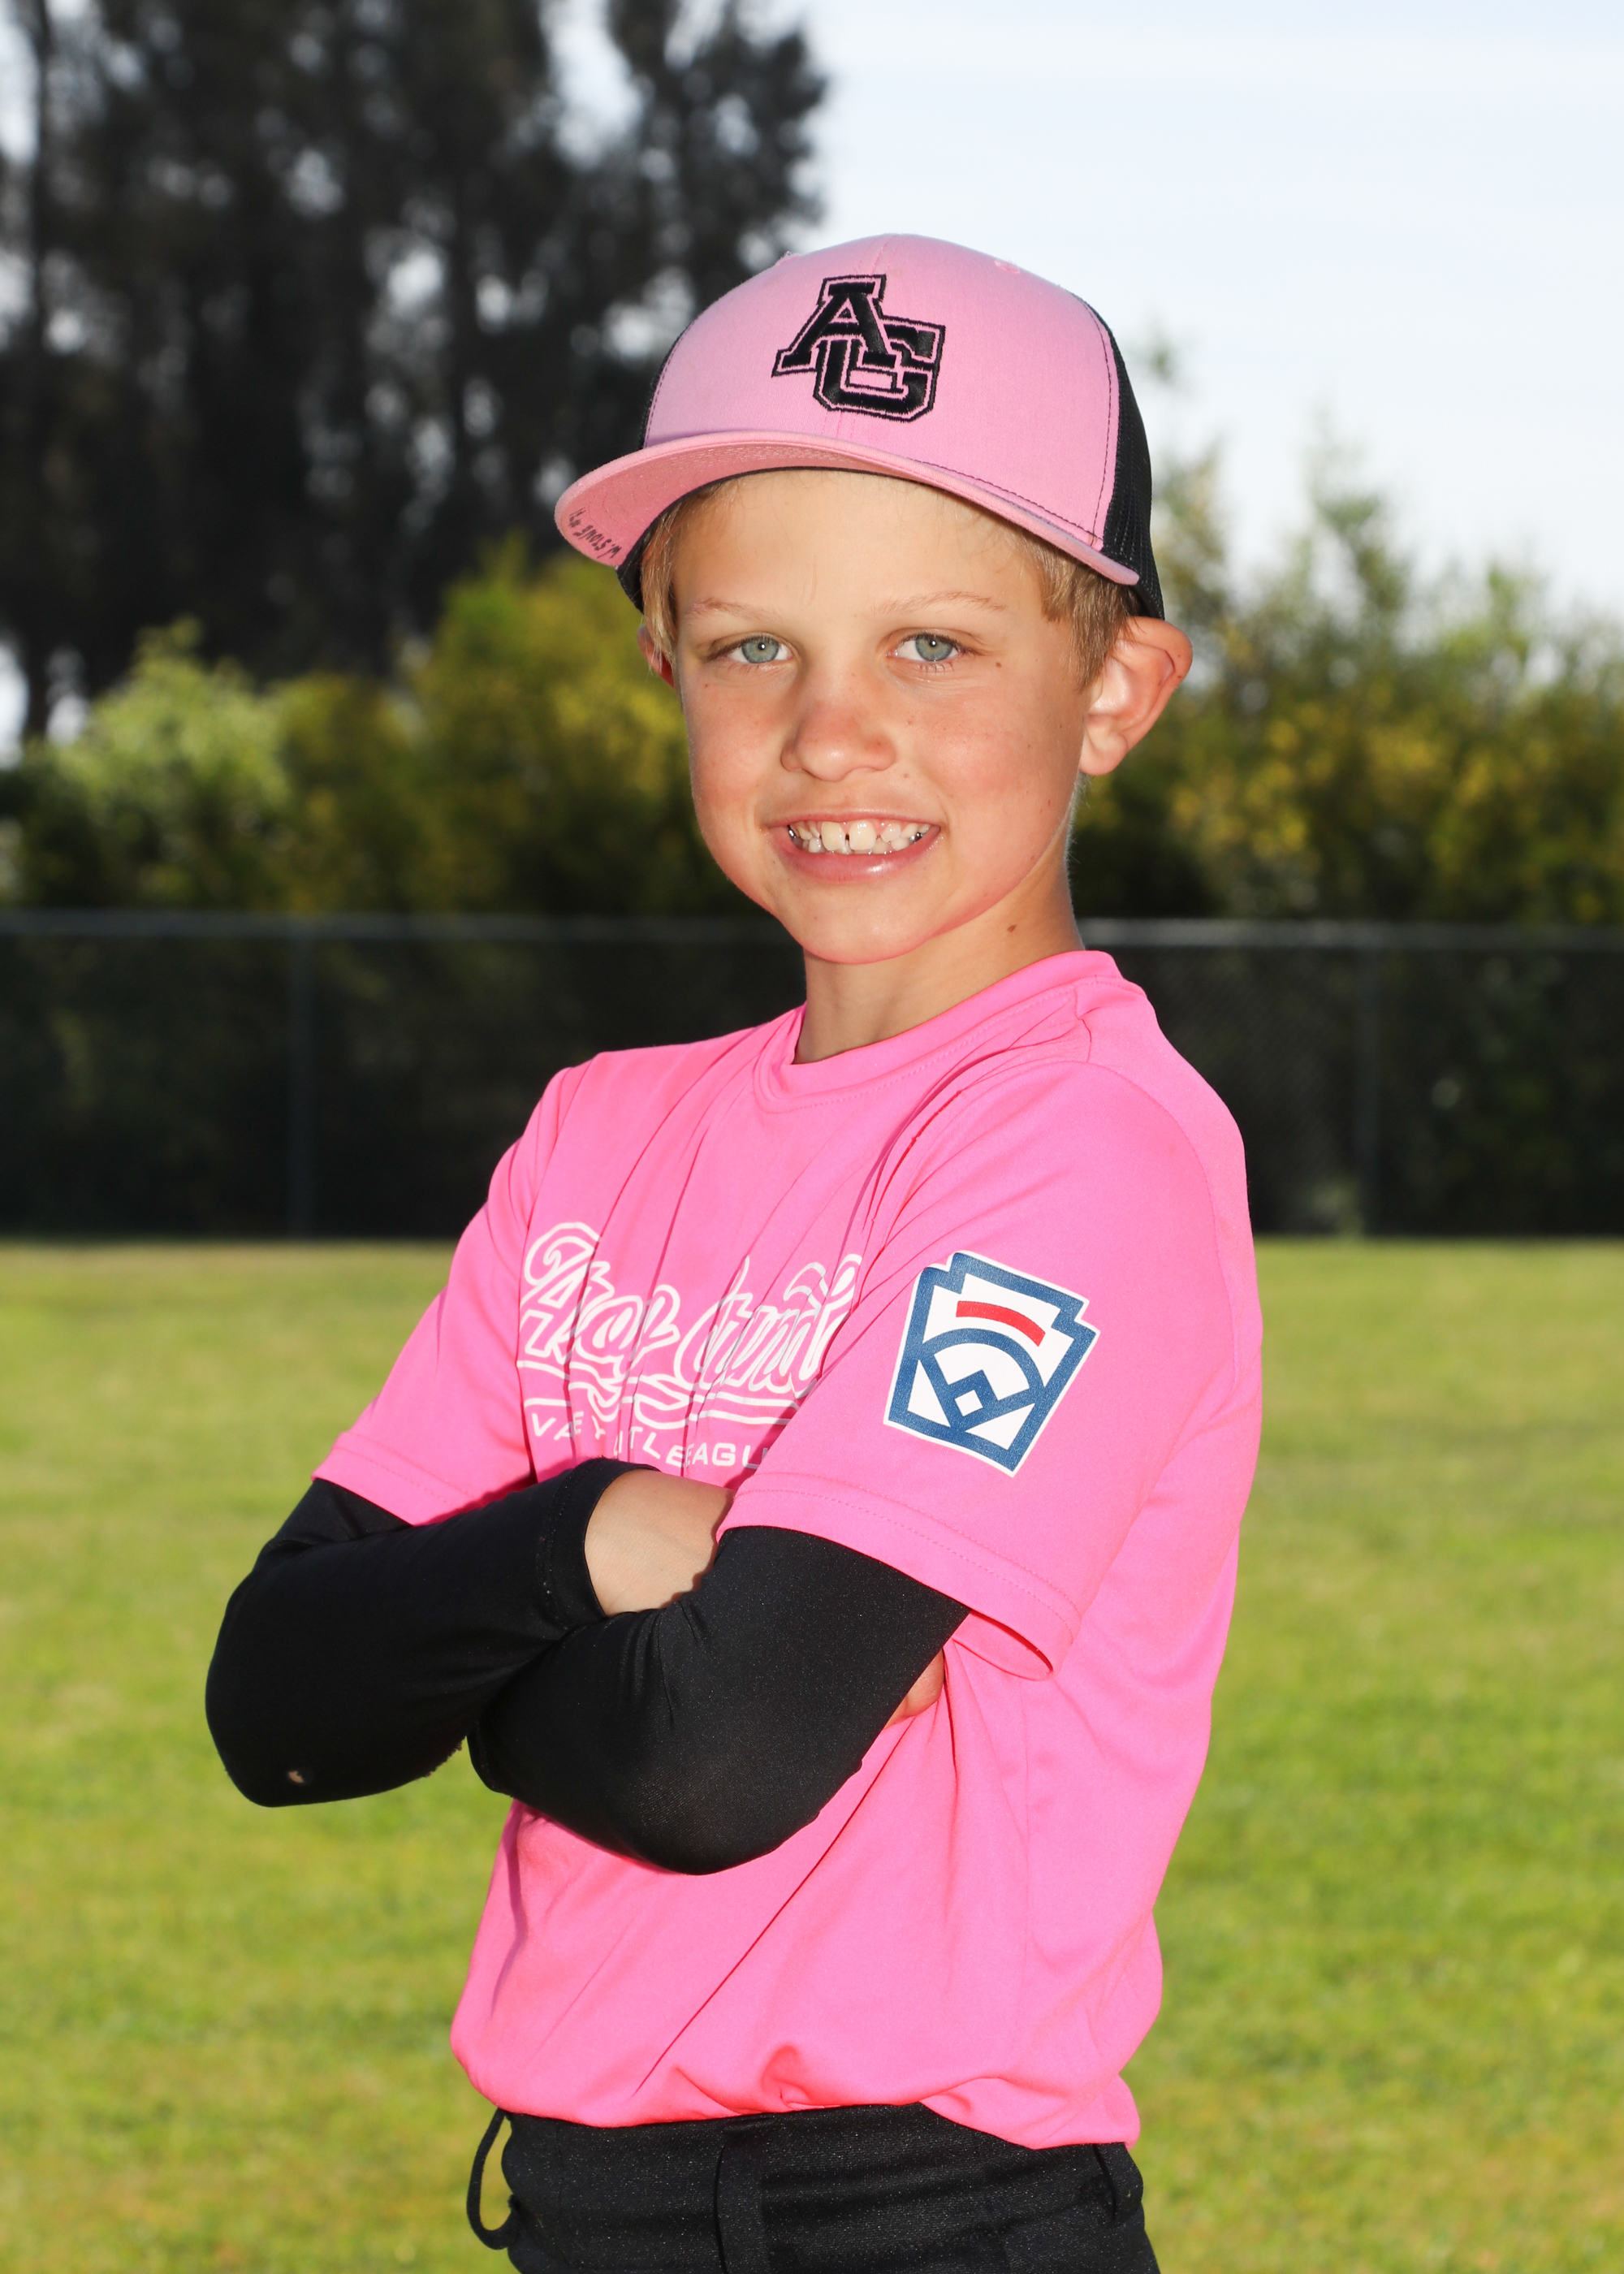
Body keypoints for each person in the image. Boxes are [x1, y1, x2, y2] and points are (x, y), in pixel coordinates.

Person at [206, 235, 1261, 2273]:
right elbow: (281, 1695)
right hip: (582, 2207)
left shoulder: (1086, 1145)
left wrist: (466, 1664)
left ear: (1115, 691)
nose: (832, 734)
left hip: (924, 2218)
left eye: (932, 646)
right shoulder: (599, 1133)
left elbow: (711, 1751)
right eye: (752, 647)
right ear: (665, 664)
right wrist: (588, 1532)